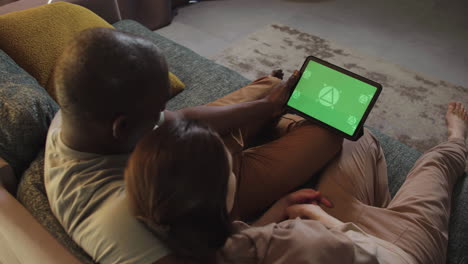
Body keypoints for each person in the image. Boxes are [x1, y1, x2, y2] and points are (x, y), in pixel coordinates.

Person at [44, 27, 342, 263]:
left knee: (269, 88)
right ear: (121, 127)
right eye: (157, 108)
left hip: (185, 152)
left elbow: (179, 118)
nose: (164, 112)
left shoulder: (76, 113)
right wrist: (272, 217)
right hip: (202, 185)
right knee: (328, 133)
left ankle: (271, 112)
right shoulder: (118, 220)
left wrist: (265, 107)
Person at [125, 102, 467, 264]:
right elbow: (358, 249)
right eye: (230, 170)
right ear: (225, 195)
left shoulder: (180, 242)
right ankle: (457, 137)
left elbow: (240, 245)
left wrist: (280, 207)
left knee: (354, 139)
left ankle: (379, 196)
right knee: (436, 167)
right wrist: (309, 214)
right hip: (398, 251)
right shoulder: (301, 238)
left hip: (343, 235)